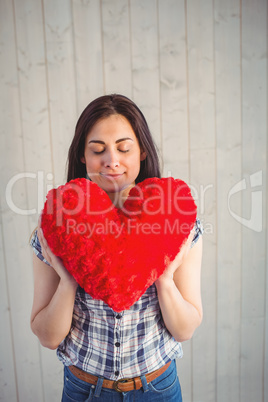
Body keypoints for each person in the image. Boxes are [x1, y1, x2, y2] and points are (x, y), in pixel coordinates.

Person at [30, 94, 203, 401]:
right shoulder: (56, 227)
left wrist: (163, 275)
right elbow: (48, 337)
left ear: (142, 152)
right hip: (84, 390)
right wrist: (69, 278)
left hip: (158, 389)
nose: (111, 160)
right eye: (98, 150)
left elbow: (184, 330)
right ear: (83, 155)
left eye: (124, 148)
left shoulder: (177, 224)